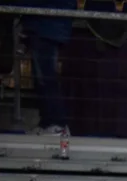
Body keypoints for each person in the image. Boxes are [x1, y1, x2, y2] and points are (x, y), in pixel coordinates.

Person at [22, 0, 74, 135]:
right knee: (41, 76)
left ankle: (56, 124)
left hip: (46, 26)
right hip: (46, 25)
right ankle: (49, 122)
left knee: (45, 76)